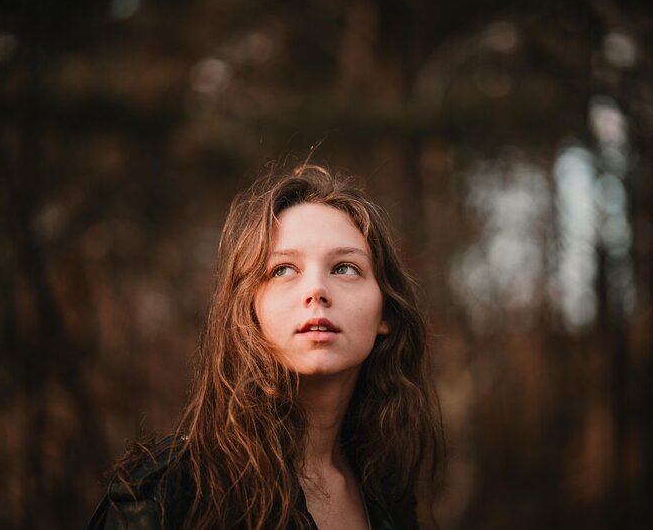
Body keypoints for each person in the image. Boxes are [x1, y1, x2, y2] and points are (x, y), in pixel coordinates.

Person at [87, 164, 444, 529]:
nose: (315, 290)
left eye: (345, 268)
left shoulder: (389, 498)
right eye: (283, 270)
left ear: (385, 311)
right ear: (249, 310)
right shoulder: (167, 494)